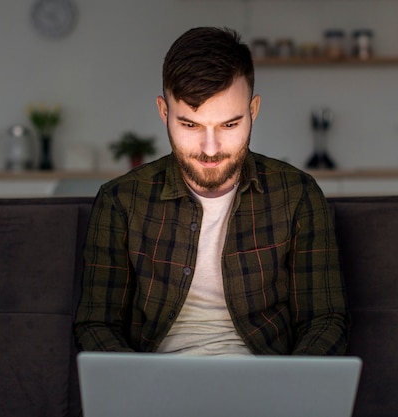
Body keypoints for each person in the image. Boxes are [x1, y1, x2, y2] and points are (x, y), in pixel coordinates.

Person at [74, 27, 349, 356]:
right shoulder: (121, 201)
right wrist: (133, 388)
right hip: (155, 391)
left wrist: (291, 389)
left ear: (253, 111)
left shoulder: (297, 195)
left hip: (264, 389)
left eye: (229, 125)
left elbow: (325, 319)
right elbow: (96, 324)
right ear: (164, 112)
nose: (210, 148)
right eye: (190, 125)